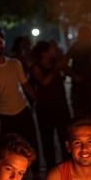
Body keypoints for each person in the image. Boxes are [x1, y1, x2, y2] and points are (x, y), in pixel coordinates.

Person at [0, 26, 40, 180]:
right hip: (4, 114)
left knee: (31, 143)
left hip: (22, 110)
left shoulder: (15, 64)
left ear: (4, 42)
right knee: (8, 149)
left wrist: (35, 98)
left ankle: (36, 175)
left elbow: (25, 84)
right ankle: (13, 179)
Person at [30, 40, 71, 170]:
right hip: (45, 108)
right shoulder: (36, 67)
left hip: (61, 106)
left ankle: (67, 166)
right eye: (50, 50)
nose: (53, 52)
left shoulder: (55, 63)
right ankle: (51, 169)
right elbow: (44, 82)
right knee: (47, 140)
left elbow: (67, 73)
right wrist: (56, 69)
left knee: (65, 137)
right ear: (43, 53)